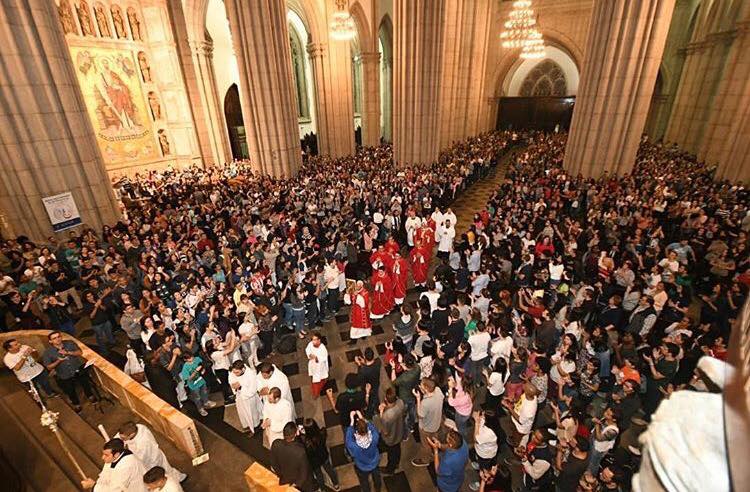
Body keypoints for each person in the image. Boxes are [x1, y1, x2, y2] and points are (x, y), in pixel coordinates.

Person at [117, 421, 187, 484]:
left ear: (131, 435)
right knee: (167, 469)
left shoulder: (142, 443)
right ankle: (179, 478)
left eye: (123, 438)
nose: (122, 440)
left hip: (152, 461)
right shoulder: (138, 427)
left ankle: (178, 480)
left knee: (165, 473)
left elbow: (140, 459)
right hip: (153, 456)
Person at [42, 331, 95, 412]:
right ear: (50, 341)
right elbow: (49, 367)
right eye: (54, 338)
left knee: (85, 383)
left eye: (59, 336)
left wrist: (68, 352)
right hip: (64, 374)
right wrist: (58, 361)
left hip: (77, 369)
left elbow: (79, 352)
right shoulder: (47, 352)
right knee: (70, 390)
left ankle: (90, 396)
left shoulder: (69, 343)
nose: (58, 339)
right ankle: (76, 404)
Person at [81, 438, 147, 491]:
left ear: (116, 454)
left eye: (106, 455)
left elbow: (116, 490)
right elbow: (105, 476)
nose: (102, 457)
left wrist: (93, 486)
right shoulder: (113, 458)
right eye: (103, 454)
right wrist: (96, 484)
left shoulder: (126, 465)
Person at [271, 422, 314, 491]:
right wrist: (295, 484)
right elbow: (304, 473)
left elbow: (273, 463)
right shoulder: (300, 451)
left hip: (285, 479)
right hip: (301, 484)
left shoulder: (276, 443)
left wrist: (281, 474)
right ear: (296, 433)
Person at [411, 377, 444, 467]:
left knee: (425, 444)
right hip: (436, 423)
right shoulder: (438, 390)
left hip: (426, 428)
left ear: (425, 388)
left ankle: (425, 459)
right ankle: (435, 448)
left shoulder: (426, 403)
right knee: (434, 437)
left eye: (421, 386)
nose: (420, 387)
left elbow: (420, 414)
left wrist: (418, 399)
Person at [345, 414, 382, 492]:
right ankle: (378, 489)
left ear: (357, 431)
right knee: (377, 477)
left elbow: (348, 439)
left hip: (362, 466)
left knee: (364, 482)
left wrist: (352, 422)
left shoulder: (354, 446)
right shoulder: (374, 437)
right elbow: (373, 428)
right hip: (374, 462)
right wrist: (362, 418)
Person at [301, 418, 341, 491]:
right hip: (323, 456)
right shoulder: (322, 433)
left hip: (314, 461)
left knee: (319, 475)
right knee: (329, 470)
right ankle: (336, 484)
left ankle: (323, 489)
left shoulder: (306, 442)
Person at [373, 387, 405, 475]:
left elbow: (385, 431)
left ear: (386, 399)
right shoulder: (400, 403)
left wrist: (381, 413)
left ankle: (390, 469)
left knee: (392, 453)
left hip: (390, 438)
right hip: (399, 432)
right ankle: (396, 463)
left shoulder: (386, 416)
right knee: (397, 449)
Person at [228, 360, 262, 434]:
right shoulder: (234, 371)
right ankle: (247, 425)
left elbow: (253, 390)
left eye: (237, 372)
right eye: (234, 372)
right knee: (242, 412)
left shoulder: (251, 374)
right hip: (239, 396)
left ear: (243, 369)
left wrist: (240, 386)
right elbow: (231, 378)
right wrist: (234, 385)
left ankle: (255, 428)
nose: (235, 374)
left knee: (252, 413)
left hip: (249, 398)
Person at [500, 382, 538, 447]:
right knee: (513, 430)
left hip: (521, 428)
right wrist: (512, 400)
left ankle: (515, 444)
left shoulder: (529, 409)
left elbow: (520, 421)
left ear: (527, 392)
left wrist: (509, 407)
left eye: (525, 387)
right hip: (515, 419)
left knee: (517, 437)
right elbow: (521, 399)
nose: (524, 385)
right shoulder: (530, 396)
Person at [305, 331, 330, 399]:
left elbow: (324, 358)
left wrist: (316, 358)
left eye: (315, 340)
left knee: (318, 380)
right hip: (313, 365)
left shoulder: (323, 348)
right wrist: (310, 355)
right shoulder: (311, 344)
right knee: (314, 376)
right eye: (312, 340)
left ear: (319, 340)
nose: (313, 341)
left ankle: (316, 393)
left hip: (320, 367)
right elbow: (307, 350)